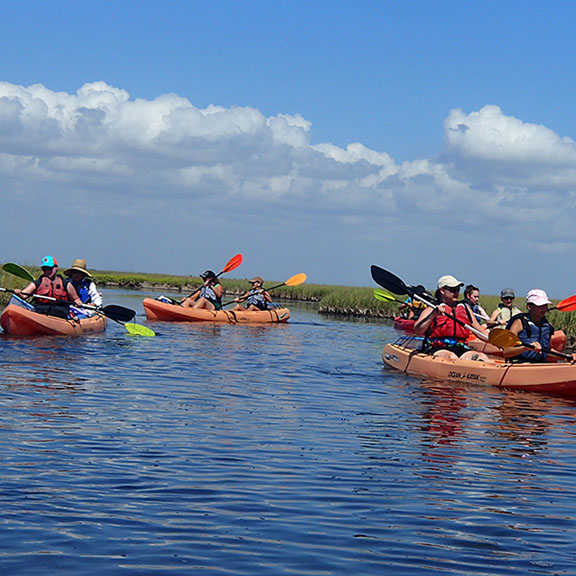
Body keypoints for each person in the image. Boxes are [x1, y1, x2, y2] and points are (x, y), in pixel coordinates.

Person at [414, 274, 488, 360]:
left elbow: (479, 331)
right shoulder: (432, 308)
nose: (456, 293)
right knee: (451, 356)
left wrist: (497, 341)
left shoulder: (465, 308)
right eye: (453, 290)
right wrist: (433, 315)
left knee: (482, 356)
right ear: (442, 291)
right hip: (437, 348)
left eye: (458, 290)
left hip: (460, 347)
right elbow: (418, 330)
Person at [505, 289, 576, 363]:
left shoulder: (547, 325)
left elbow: (548, 351)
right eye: (540, 306)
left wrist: (567, 357)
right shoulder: (519, 323)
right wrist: (525, 348)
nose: (544, 309)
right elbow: (506, 351)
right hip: (520, 363)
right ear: (529, 307)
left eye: (545, 305)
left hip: (540, 364)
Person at [16, 255, 82, 318]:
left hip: (60, 314)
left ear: (56, 268)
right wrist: (19, 293)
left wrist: (77, 302)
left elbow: (75, 299)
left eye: (50, 268)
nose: (47, 271)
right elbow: (24, 295)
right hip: (40, 312)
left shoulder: (65, 283)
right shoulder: (38, 282)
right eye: (45, 269)